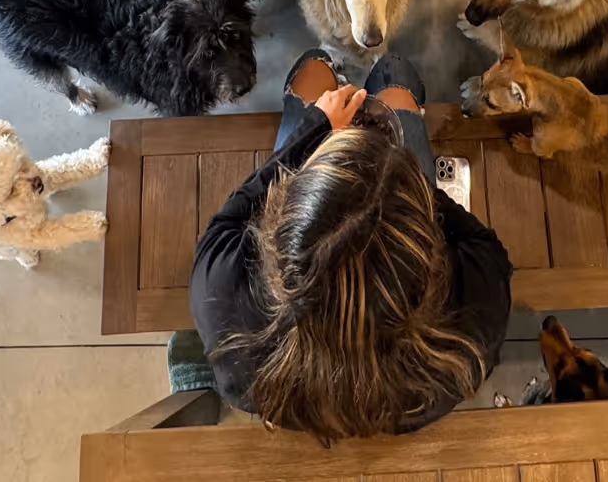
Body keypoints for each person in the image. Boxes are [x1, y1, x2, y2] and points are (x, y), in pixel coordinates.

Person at [189, 49, 513, 443]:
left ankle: (323, 64)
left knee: (312, 68)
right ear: (426, 249)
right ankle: (393, 75)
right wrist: (401, 175)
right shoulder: (465, 342)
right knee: (396, 72)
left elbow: (228, 219)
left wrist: (314, 129)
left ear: (281, 219)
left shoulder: (225, 304)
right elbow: (484, 244)